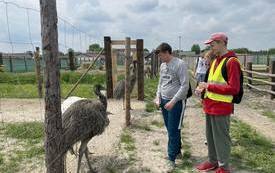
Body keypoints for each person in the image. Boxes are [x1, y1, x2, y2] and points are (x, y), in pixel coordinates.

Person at [195, 33, 241, 173]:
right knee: (210, 136)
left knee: (221, 138)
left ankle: (224, 167)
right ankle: (213, 161)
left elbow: (234, 88)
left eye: (212, 44)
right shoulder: (216, 61)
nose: (211, 47)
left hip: (222, 107)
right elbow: (210, 82)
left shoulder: (232, 62)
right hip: (210, 105)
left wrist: (209, 86)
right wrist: (201, 89)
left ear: (222, 43)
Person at [154, 43, 189, 171]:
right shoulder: (163, 65)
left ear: (168, 52)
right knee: (171, 129)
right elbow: (160, 83)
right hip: (164, 101)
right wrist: (158, 97)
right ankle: (177, 150)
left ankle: (171, 158)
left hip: (176, 103)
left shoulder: (180, 64)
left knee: (174, 130)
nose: (160, 58)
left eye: (161, 55)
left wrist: (173, 101)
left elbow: (185, 86)